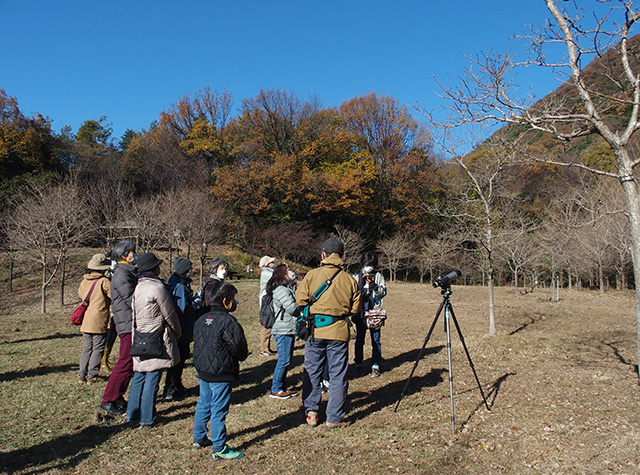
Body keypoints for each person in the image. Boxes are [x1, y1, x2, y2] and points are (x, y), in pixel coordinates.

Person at [296, 238, 361, 428]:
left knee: (312, 371)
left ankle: (312, 412)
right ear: (341, 255)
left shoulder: (311, 275)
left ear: (323, 254)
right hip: (339, 333)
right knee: (338, 375)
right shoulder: (349, 279)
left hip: (315, 331)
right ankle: (334, 417)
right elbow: (355, 309)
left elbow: (300, 300)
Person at [192, 280, 248, 460]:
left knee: (203, 403)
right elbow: (239, 347)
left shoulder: (201, 319)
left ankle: (198, 438)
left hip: (203, 370)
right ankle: (219, 447)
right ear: (226, 301)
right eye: (233, 299)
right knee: (219, 409)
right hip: (221, 372)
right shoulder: (228, 322)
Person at [126, 253, 182, 427]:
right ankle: (147, 418)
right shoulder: (157, 287)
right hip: (156, 335)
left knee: (139, 375)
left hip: (140, 334)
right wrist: (177, 332)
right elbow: (169, 313)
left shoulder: (137, 287)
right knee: (152, 376)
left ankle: (132, 413)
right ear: (153, 268)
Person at [100, 240, 138, 417]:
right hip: (127, 324)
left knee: (128, 364)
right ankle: (108, 400)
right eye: (132, 252)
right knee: (124, 363)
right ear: (124, 255)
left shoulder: (126, 273)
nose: (134, 255)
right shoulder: (123, 275)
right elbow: (131, 299)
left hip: (127, 323)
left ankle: (117, 396)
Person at [164, 256, 197, 401]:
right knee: (179, 358)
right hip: (182, 327)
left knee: (179, 357)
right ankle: (172, 387)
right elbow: (182, 308)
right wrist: (195, 303)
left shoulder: (176, 282)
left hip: (181, 327)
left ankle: (175, 384)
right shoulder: (179, 286)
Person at [77, 253, 112, 384]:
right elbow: (113, 296)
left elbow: (81, 295)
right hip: (99, 319)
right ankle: (92, 374)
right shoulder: (104, 281)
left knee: (86, 348)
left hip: (86, 318)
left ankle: (82, 375)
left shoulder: (84, 281)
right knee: (98, 348)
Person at [267, 264, 299, 399]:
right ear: (283, 274)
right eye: (288, 271)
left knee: (286, 360)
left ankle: (282, 386)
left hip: (286, 328)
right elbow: (292, 308)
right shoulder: (281, 290)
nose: (291, 273)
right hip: (283, 329)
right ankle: (276, 389)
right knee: (284, 360)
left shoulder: (284, 289)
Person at [353, 252, 387, 377]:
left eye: (372, 265)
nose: (370, 267)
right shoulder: (356, 277)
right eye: (367, 264)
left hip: (375, 313)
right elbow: (353, 294)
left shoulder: (378, 276)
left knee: (376, 340)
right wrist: (361, 287)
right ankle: (358, 363)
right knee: (359, 340)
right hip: (361, 313)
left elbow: (383, 292)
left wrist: (374, 286)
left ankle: (375, 365)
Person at [258, 255, 276, 356]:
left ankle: (266, 347)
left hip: (268, 301)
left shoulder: (268, 272)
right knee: (267, 325)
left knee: (269, 324)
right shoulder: (266, 273)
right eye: (271, 262)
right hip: (266, 302)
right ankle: (264, 349)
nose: (273, 263)